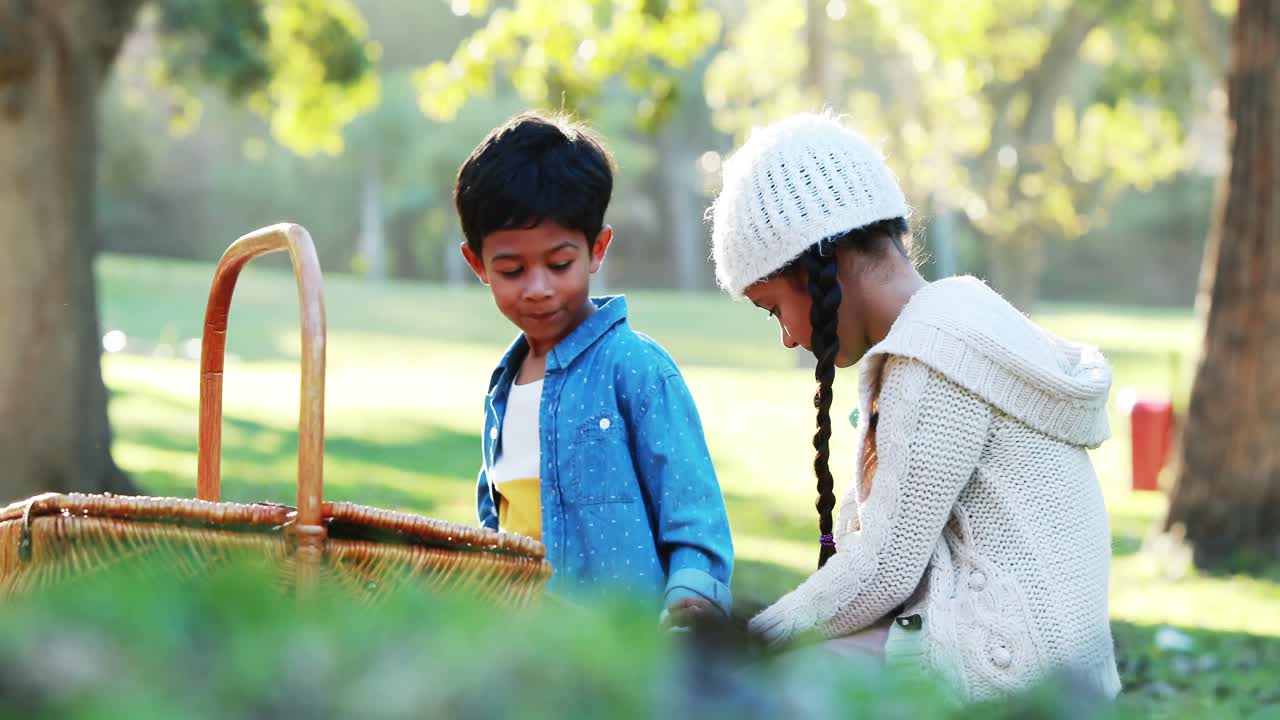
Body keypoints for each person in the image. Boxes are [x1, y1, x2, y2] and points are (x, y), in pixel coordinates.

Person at [706, 111, 1121, 702]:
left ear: (821, 266)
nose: (788, 337)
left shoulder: (936, 349)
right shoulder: (949, 324)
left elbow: (883, 567)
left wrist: (752, 638)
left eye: (772, 309)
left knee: (766, 689)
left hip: (1021, 667)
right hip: (1043, 654)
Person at [455, 111, 734, 623]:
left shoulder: (636, 368)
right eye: (512, 270)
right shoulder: (502, 389)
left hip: (624, 659)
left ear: (597, 250)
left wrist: (689, 616)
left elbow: (694, 519)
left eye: (559, 264)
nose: (538, 287)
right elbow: (496, 527)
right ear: (478, 265)